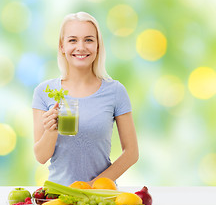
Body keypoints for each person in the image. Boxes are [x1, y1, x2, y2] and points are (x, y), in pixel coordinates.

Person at [32, 12, 138, 186]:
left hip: (100, 195)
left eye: (88, 40)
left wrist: (92, 186)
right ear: (62, 47)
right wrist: (51, 130)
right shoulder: (45, 92)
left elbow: (132, 153)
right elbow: (41, 157)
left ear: (98, 46)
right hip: (58, 196)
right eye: (72, 40)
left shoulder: (115, 91)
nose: (81, 47)